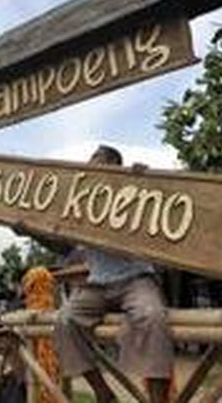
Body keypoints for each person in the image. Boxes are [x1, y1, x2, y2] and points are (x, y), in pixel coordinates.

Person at [17, 145, 174, 403]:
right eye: (90, 162)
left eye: (98, 161)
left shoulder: (135, 191)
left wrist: (148, 181)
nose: (90, 166)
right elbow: (65, 246)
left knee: (152, 316)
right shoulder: (84, 200)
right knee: (65, 321)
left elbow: (167, 205)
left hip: (136, 279)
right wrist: (31, 231)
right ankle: (103, 394)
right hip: (98, 284)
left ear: (115, 166)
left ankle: (158, 401)